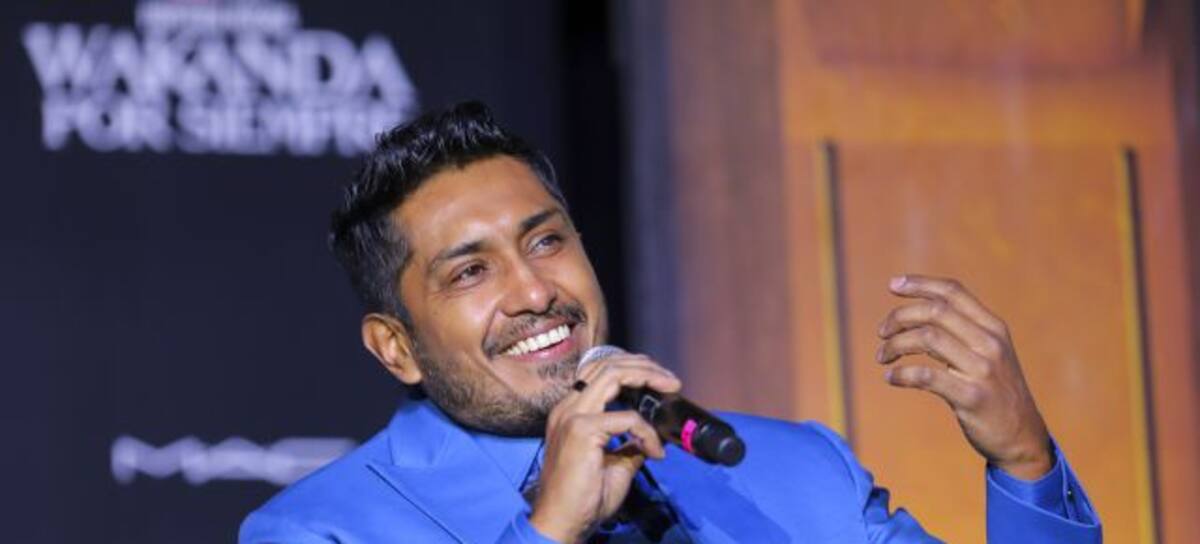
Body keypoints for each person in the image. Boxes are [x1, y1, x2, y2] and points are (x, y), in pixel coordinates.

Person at [239, 102, 1101, 543]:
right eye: (471, 271)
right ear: (395, 347)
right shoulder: (323, 528)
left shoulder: (794, 469)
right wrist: (548, 530)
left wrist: (1024, 463)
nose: (534, 291)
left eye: (546, 241)